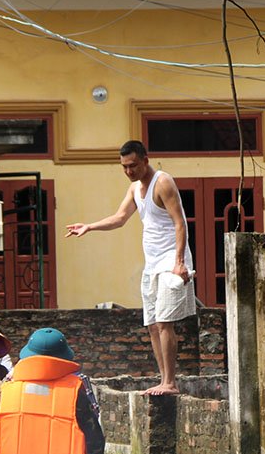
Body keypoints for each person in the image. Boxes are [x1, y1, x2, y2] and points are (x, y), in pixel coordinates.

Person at [66, 140, 195, 395]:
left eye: (133, 165)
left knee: (165, 321)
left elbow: (180, 224)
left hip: (171, 261)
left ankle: (170, 382)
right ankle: (162, 379)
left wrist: (179, 263)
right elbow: (120, 218)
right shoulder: (135, 188)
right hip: (152, 263)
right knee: (152, 324)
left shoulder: (163, 182)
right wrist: (90, 226)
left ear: (146, 160)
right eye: (124, 167)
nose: (129, 171)